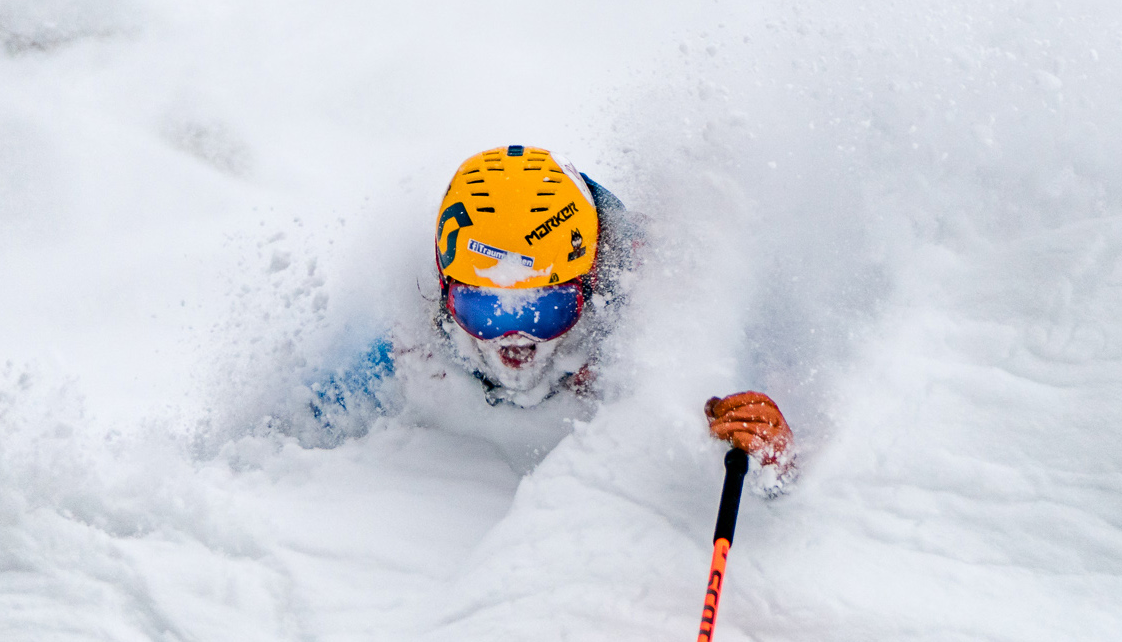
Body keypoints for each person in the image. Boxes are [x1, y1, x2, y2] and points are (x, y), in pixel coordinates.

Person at [313, 145, 794, 474]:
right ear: (445, 289)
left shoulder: (657, 309)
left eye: (543, 310)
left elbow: (741, 396)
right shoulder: (410, 338)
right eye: (484, 311)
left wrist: (772, 458)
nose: (513, 342)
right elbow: (317, 417)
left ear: (588, 285)